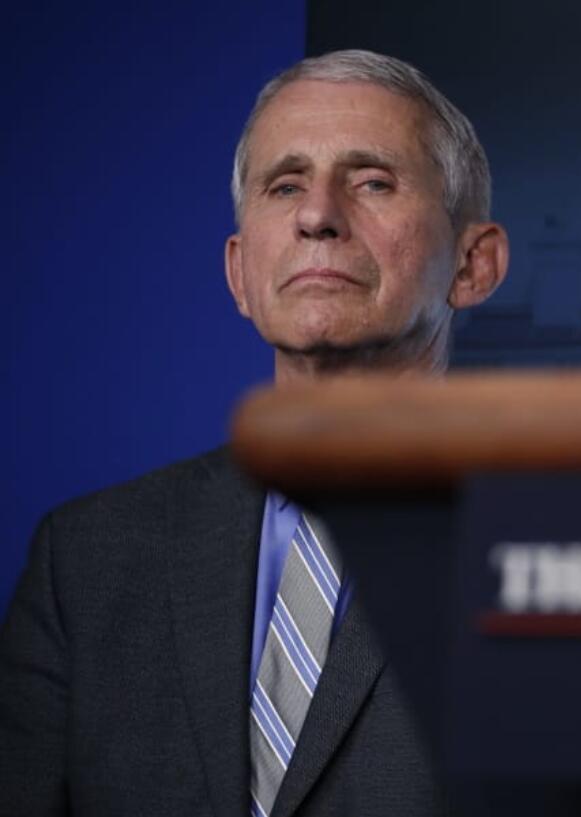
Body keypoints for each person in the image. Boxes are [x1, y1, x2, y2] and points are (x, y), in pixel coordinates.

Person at [0, 49, 508, 816]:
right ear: (240, 274)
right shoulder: (85, 558)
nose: (317, 215)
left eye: (371, 180)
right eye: (285, 184)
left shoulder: (574, 553)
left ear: (473, 265)